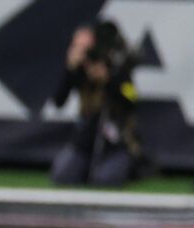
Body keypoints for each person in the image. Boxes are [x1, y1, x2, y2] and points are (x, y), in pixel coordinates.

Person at [50, 20, 143, 187]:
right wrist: (70, 70)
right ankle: (85, 168)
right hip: (85, 139)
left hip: (115, 141)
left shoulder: (117, 68)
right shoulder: (79, 69)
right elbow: (58, 102)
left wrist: (109, 80)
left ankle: (130, 166)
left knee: (105, 180)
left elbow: (132, 100)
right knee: (63, 175)